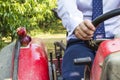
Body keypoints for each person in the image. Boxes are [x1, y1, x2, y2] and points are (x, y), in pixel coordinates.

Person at [57, 0, 120, 80]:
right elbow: (66, 5)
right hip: (80, 40)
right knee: (74, 76)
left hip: (116, 40)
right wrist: (77, 26)